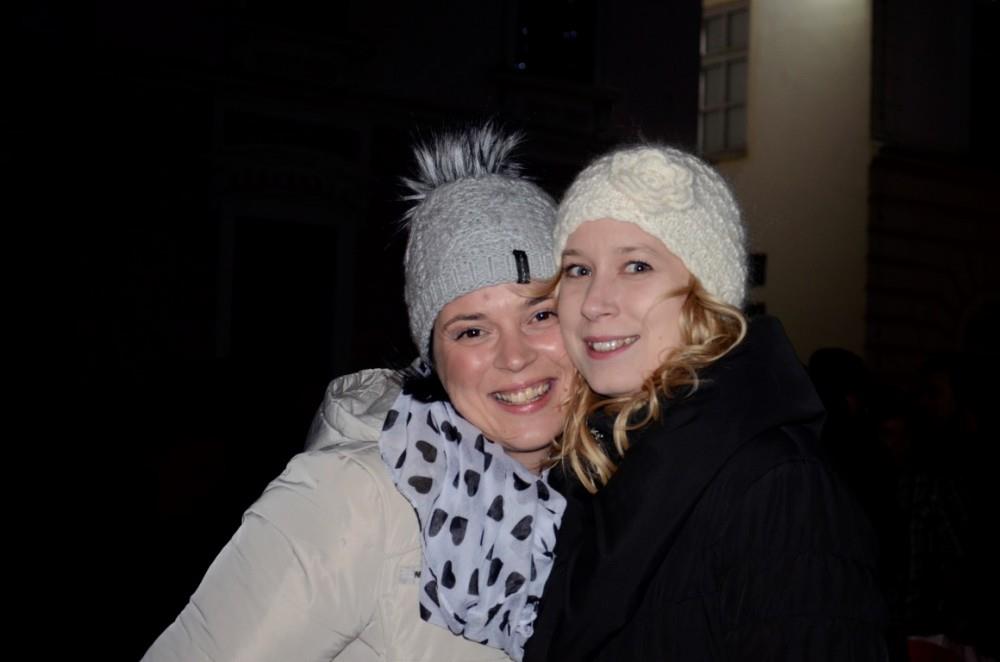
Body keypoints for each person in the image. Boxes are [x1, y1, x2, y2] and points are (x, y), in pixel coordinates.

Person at [142, 124, 572, 662]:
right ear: (432, 358)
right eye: (471, 331)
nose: (515, 356)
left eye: (541, 314)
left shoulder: (603, 504)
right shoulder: (358, 498)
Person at [524, 144, 888, 661]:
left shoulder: (777, 486)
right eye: (578, 270)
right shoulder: (589, 471)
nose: (595, 302)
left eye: (636, 265)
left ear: (705, 292)